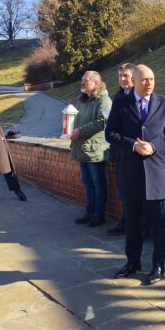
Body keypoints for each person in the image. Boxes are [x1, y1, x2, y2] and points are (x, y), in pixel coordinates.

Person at [105, 64, 165, 285]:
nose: (149, 83)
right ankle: (133, 262)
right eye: (145, 79)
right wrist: (132, 146)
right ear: (135, 81)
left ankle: (158, 265)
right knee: (133, 223)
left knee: (159, 223)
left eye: (152, 79)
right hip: (131, 172)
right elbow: (111, 133)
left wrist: (154, 145)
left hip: (158, 172)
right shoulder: (121, 102)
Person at [70, 71, 112, 227]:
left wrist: (80, 131)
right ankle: (89, 211)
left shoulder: (104, 100)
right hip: (82, 148)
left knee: (98, 183)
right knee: (87, 182)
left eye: (85, 81)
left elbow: (103, 121)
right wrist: (69, 128)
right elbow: (75, 119)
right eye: (82, 81)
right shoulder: (82, 100)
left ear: (97, 83)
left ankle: (98, 214)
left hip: (95, 150)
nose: (82, 84)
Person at [107, 63, 133, 236]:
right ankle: (125, 222)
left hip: (135, 152)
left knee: (134, 192)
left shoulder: (138, 98)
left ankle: (136, 225)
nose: (123, 79)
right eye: (120, 76)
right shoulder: (118, 97)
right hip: (120, 151)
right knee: (123, 190)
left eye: (126, 76)